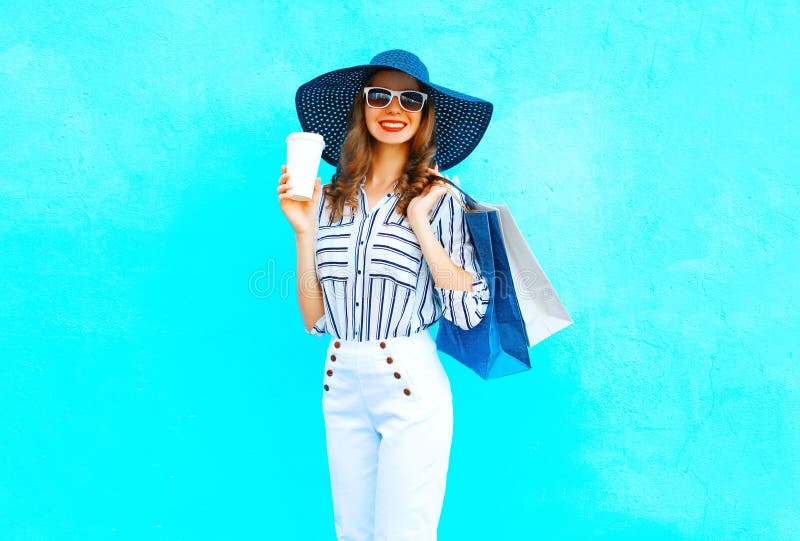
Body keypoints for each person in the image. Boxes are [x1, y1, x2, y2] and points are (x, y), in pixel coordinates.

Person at [277, 49, 493, 541]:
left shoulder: (442, 198)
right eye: (380, 96)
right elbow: (315, 320)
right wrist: (302, 231)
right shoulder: (330, 200)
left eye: (410, 100)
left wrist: (420, 221)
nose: (394, 109)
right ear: (362, 107)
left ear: (423, 116)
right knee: (352, 535)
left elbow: (468, 307)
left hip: (408, 379)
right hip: (339, 378)